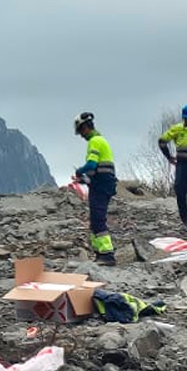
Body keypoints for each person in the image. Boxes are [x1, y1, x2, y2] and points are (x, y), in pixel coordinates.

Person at [73, 112, 117, 266]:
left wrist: (80, 170)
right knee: (95, 219)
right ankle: (99, 253)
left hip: (101, 186)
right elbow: (96, 171)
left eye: (81, 131)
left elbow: (91, 165)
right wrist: (84, 179)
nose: (81, 135)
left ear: (85, 127)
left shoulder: (95, 141)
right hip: (101, 184)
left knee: (98, 219)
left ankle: (107, 254)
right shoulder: (100, 141)